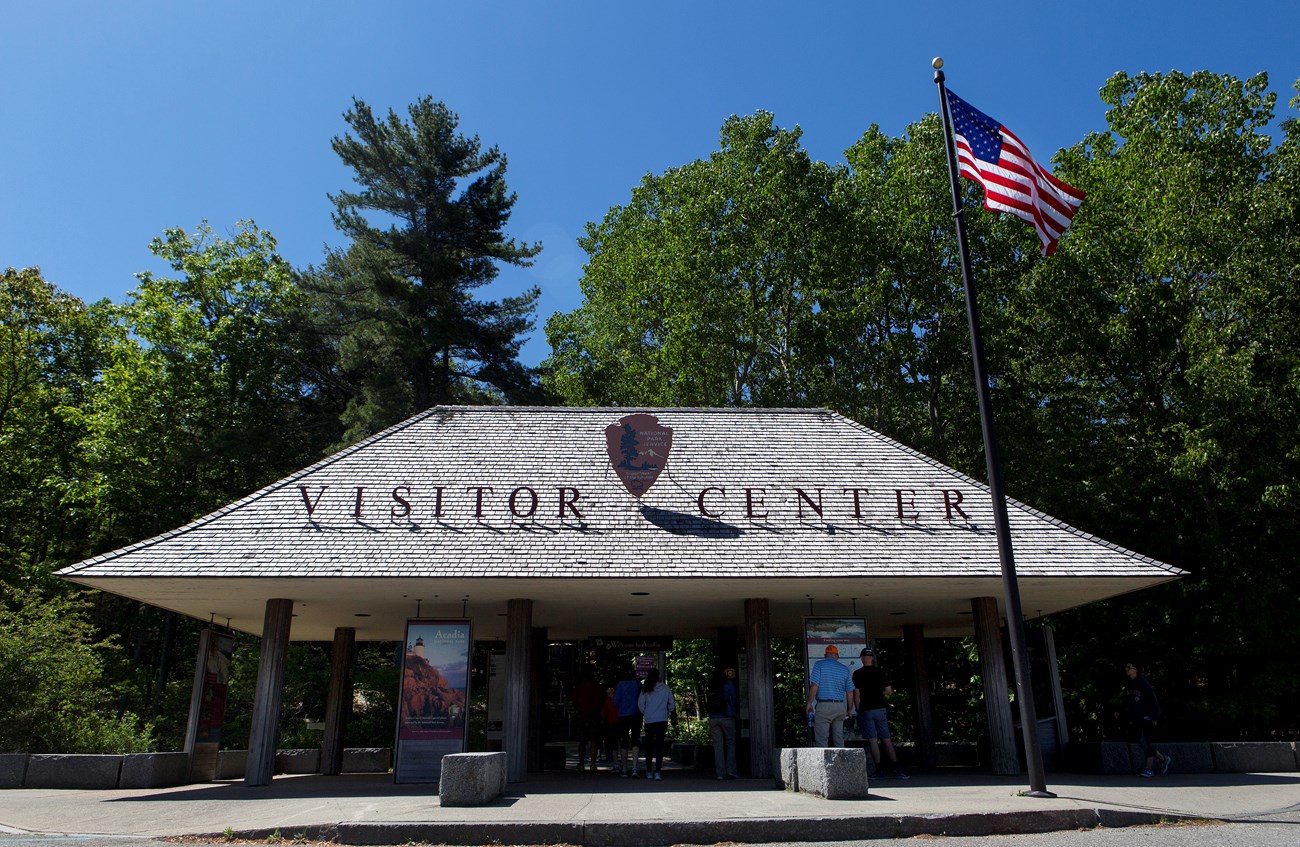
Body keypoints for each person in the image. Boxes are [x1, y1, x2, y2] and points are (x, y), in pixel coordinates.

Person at [852, 648, 908, 779]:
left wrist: (858, 708)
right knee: (886, 739)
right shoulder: (880, 672)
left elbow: (857, 694)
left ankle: (879, 770)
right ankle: (896, 768)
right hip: (880, 708)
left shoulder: (857, 674)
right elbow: (889, 691)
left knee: (872, 740)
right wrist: (879, 693)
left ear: (861, 658)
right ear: (872, 658)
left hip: (866, 709)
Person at [1115, 662, 1171, 777]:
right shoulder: (1129, 683)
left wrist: (1155, 717)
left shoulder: (1143, 683)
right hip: (1135, 717)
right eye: (1126, 668)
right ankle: (1163, 759)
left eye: (1129, 668)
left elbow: (1153, 699)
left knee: (1145, 741)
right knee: (1140, 741)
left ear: (1136, 670)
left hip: (1146, 716)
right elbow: (1126, 699)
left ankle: (1149, 769)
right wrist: (1119, 711)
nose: (1127, 669)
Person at [805, 644, 854, 747]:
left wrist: (809, 703)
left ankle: (823, 762)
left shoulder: (819, 665)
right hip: (840, 707)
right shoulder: (844, 669)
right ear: (837, 656)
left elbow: (814, 686)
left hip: (824, 706)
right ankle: (842, 761)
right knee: (839, 738)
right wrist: (849, 709)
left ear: (825, 655)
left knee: (821, 741)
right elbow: (850, 692)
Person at [637, 667, 677, 781]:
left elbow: (640, 705)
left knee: (649, 747)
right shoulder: (665, 688)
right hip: (662, 719)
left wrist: (646, 712)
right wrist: (666, 711)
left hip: (649, 720)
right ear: (659, 676)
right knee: (659, 746)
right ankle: (658, 772)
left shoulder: (646, 689)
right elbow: (672, 704)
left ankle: (649, 771)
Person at [706, 666, 740, 780]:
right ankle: (731, 770)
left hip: (713, 718)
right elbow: (734, 699)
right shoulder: (728, 684)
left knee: (718, 746)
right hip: (726, 717)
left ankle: (720, 773)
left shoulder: (711, 686)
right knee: (730, 743)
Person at [612, 668, 643, 777]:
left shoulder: (620, 685)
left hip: (623, 715)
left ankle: (624, 768)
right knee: (635, 740)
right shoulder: (638, 684)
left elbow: (615, 702)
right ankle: (634, 767)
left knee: (624, 741)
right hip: (636, 714)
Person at [571, 669, 604, 771]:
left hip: (582, 716)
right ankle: (593, 764)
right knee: (594, 741)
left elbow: (574, 702)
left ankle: (581, 763)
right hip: (594, 716)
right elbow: (601, 701)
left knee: (582, 741)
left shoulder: (579, 688)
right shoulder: (597, 688)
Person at [599, 685, 621, 769]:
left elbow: (603, 714)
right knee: (620, 743)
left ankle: (615, 762)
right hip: (620, 722)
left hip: (611, 724)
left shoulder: (608, 701)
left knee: (613, 743)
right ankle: (621, 760)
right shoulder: (619, 701)